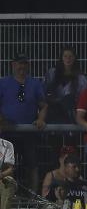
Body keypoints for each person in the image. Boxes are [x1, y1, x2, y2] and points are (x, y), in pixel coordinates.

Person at [0, 52, 47, 192]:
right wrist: (2, 120)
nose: (22, 66)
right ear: (13, 65)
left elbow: (43, 105)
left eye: (25, 63)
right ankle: (6, 197)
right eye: (19, 63)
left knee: (32, 165)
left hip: (28, 132)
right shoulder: (3, 83)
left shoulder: (35, 83)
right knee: (6, 166)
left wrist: (40, 119)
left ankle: (32, 197)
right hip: (7, 133)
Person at [44, 46, 87, 124]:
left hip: (70, 112)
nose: (68, 59)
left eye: (70, 56)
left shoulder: (81, 78)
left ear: (74, 58)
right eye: (65, 56)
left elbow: (82, 99)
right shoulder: (52, 73)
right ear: (61, 58)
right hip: (53, 110)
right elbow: (46, 92)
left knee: (69, 99)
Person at [0, 133, 14, 209]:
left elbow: (10, 169)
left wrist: (1, 175)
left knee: (9, 181)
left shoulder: (7, 145)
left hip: (1, 178)